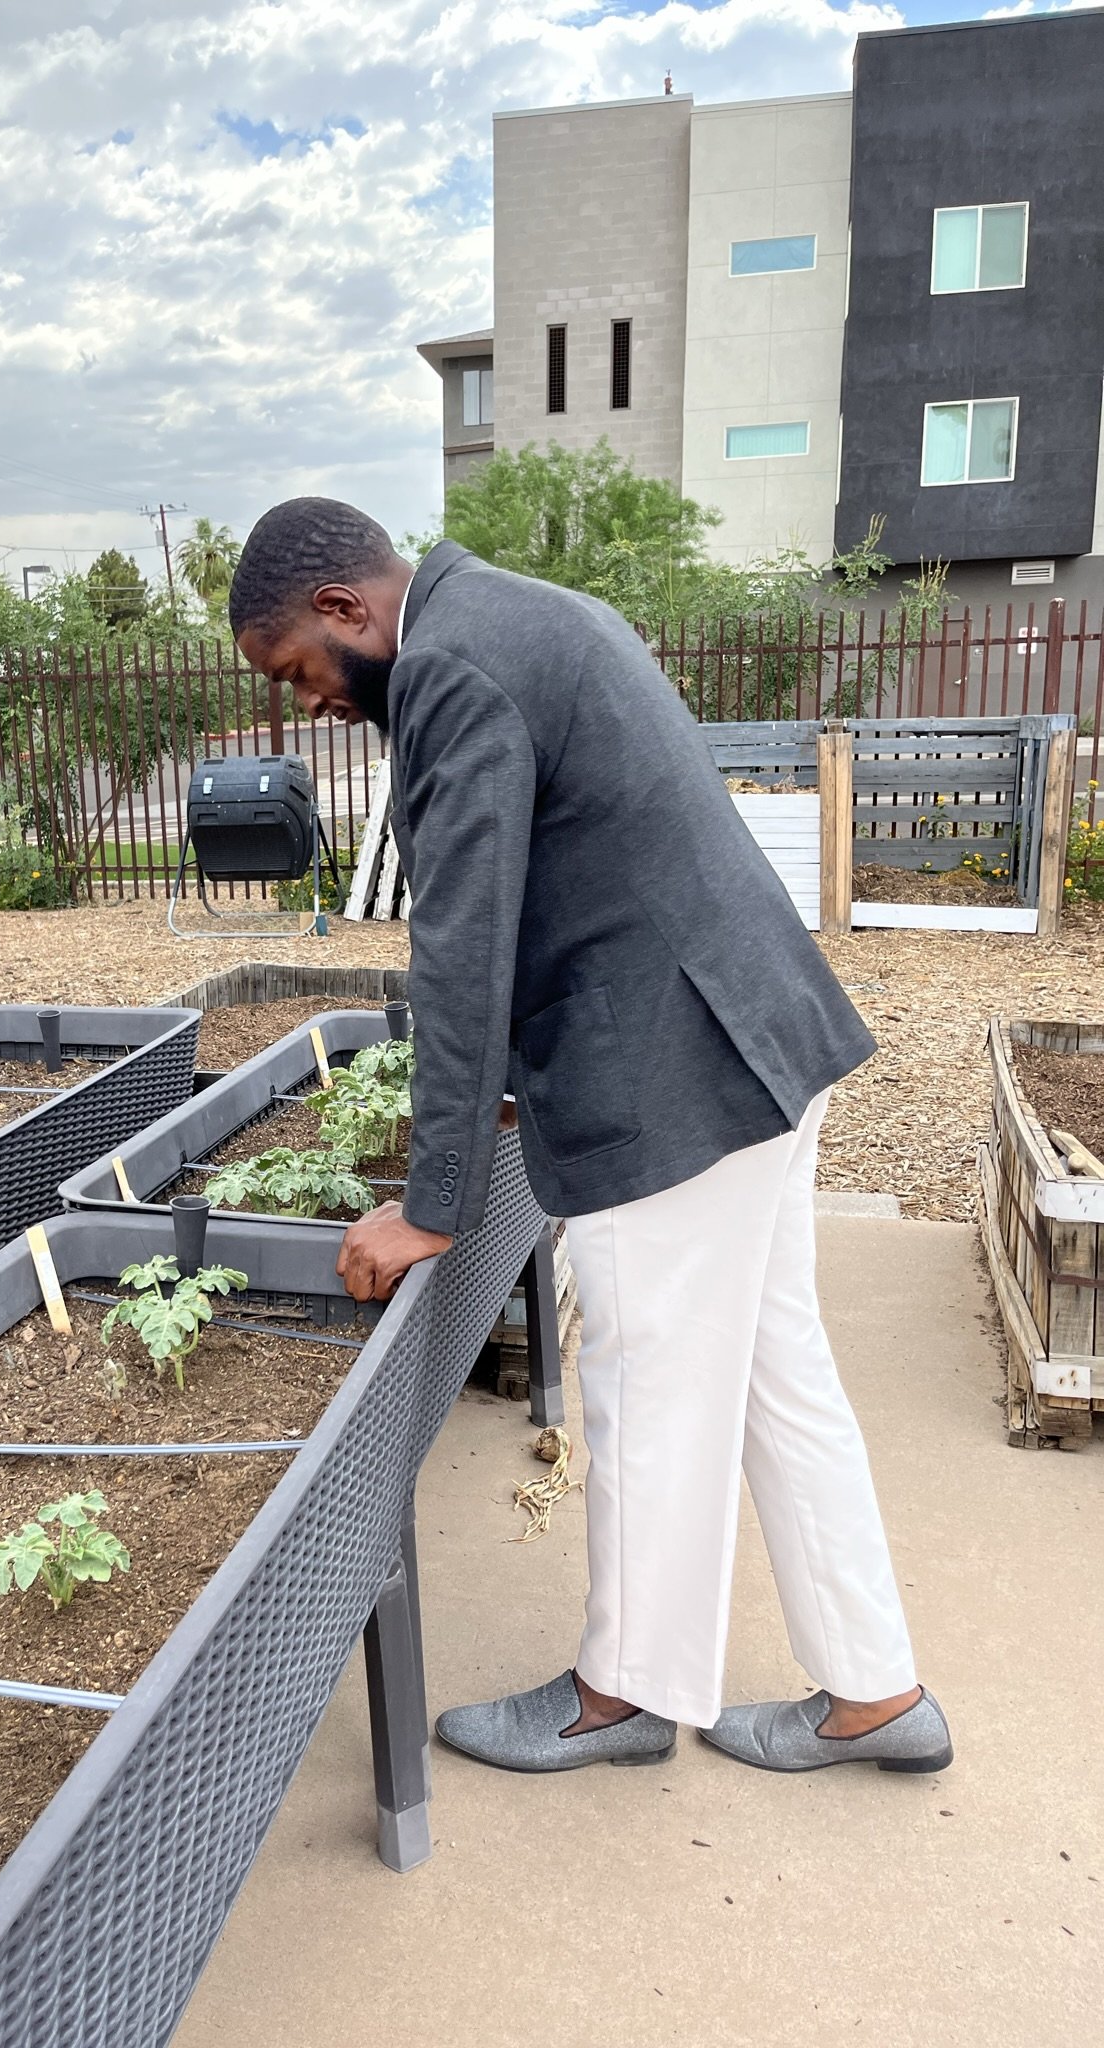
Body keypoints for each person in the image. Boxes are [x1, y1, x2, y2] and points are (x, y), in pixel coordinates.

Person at [228, 499, 952, 1778]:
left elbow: (461, 945)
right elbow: (580, 867)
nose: (310, 703)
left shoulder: (451, 667)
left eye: (297, 670)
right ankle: (876, 1689)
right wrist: (504, 1092)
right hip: (748, 1037)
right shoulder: (524, 614)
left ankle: (622, 1696)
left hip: (670, 1080)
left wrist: (432, 1203)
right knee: (778, 1376)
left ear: (346, 608)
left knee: (648, 1390)